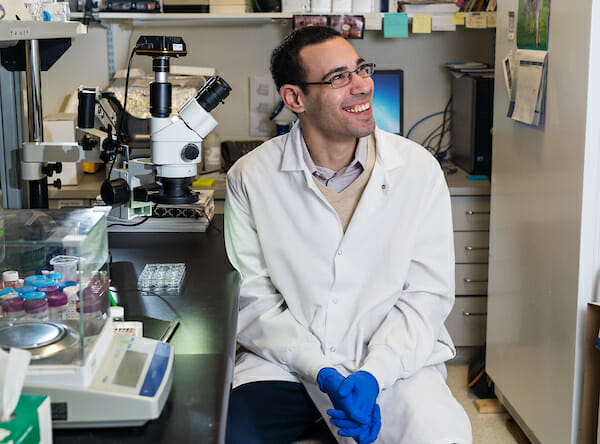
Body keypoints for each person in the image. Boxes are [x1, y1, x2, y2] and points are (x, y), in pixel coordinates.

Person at [224, 25, 472, 444]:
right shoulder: (250, 177)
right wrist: (318, 368)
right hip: (287, 363)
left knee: (443, 435)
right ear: (294, 98)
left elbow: (425, 295)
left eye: (361, 69)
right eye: (339, 77)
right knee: (226, 434)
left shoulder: (417, 169)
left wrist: (375, 374)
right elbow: (253, 298)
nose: (362, 86)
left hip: (389, 363)